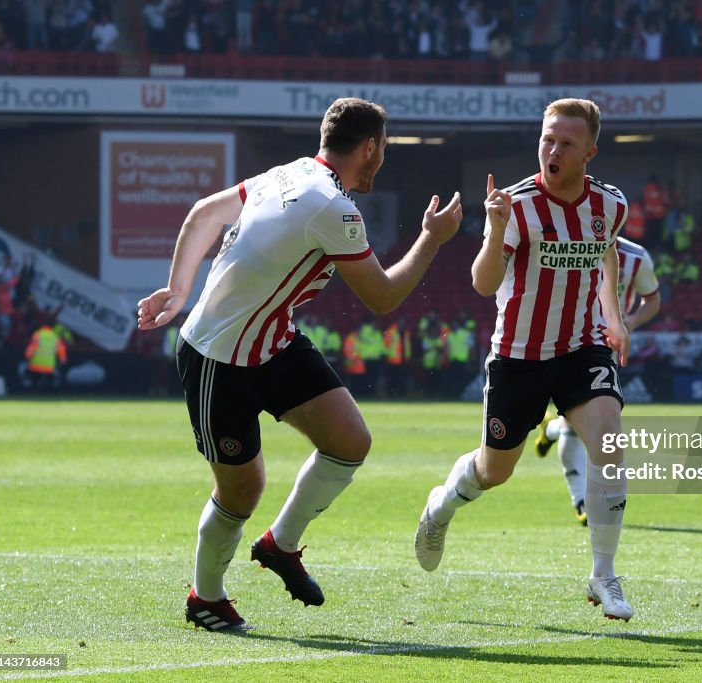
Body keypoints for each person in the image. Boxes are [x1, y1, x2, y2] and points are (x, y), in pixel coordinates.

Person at [136, 98, 462, 632]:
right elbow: (382, 298)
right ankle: (206, 597)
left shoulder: (290, 173)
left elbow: (204, 214)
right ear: (371, 148)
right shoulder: (331, 207)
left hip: (272, 341)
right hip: (220, 356)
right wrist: (431, 239)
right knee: (242, 489)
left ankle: (280, 545)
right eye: (384, 150)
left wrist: (177, 288)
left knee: (350, 442)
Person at [413, 98, 635, 621]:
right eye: (547, 139)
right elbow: (483, 283)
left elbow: (605, 251)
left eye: (566, 144)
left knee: (610, 443)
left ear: (590, 154)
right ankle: (440, 505)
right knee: (494, 472)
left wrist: (615, 316)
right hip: (518, 357)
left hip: (582, 347)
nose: (552, 150)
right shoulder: (516, 206)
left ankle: (604, 576)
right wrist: (493, 229)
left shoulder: (612, 205)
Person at [534, 236, 660, 525]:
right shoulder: (567, 242)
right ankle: (581, 501)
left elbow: (652, 299)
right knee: (574, 421)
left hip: (605, 349)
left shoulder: (637, 257)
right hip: (564, 342)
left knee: (575, 422)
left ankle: (551, 432)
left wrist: (629, 322)